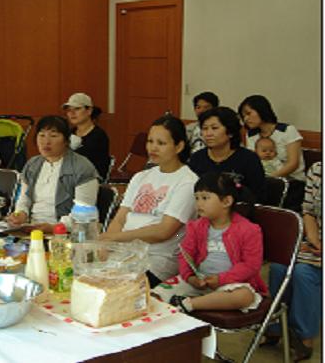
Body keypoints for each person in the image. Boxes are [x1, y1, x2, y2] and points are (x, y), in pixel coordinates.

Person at [100, 115, 198, 287]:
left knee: (116, 290)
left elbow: (164, 231)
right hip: (125, 252)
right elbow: (121, 218)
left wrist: (116, 237)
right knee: (86, 279)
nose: (153, 148)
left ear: (179, 146)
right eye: (150, 141)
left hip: (157, 259)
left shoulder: (187, 181)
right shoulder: (141, 176)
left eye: (161, 143)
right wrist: (109, 244)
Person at [152, 172, 267, 314]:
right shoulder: (195, 226)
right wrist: (190, 277)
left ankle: (189, 304)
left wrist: (221, 279)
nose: (199, 203)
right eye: (197, 198)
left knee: (243, 296)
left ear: (226, 201)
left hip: (230, 283)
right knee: (155, 294)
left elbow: (251, 265)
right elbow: (185, 254)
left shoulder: (249, 229)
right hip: (200, 281)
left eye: (205, 198)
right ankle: (189, 302)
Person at [263, 161, 322, 362]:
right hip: (316, 240)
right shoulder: (318, 169)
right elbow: (309, 212)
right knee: (280, 266)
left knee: (304, 273)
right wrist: (314, 240)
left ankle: (304, 336)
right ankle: (275, 327)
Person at [7, 115, 99, 233]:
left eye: (54, 136)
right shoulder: (32, 164)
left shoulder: (82, 167)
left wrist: (53, 228)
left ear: (66, 140)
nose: (46, 141)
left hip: (67, 233)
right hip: (32, 229)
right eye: (42, 135)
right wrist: (21, 214)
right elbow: (24, 199)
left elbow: (84, 213)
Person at [188, 106, 266, 203]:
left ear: (230, 132)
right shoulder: (197, 158)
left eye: (214, 128)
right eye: (204, 128)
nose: (208, 134)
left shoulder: (249, 159)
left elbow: (257, 196)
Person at [239, 94, 305, 181]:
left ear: (261, 110)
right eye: (243, 116)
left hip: (292, 180)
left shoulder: (287, 130)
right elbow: (252, 162)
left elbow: (293, 164)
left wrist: (269, 178)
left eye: (248, 113)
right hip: (264, 179)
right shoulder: (251, 135)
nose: (246, 119)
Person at [62, 92, 111, 181]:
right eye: (69, 110)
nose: (72, 113)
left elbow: (78, 160)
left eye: (77, 109)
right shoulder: (69, 132)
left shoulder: (98, 136)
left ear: (89, 111)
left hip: (90, 179)